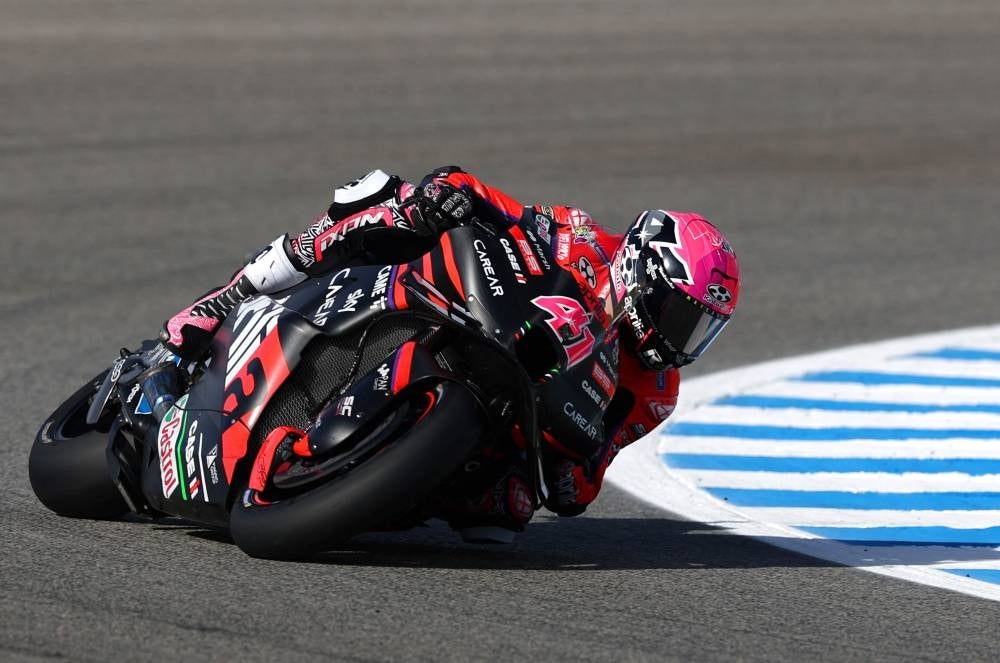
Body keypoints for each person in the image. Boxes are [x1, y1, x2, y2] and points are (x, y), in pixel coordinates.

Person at [158, 166, 741, 542]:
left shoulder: (655, 393)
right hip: (465, 310)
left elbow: (584, 482)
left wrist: (570, 477)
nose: (680, 342)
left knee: (506, 515)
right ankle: (228, 298)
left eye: (700, 331)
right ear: (644, 270)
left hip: (517, 413)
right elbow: (500, 207)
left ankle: (360, 480)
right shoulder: (581, 238)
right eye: (680, 317)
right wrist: (448, 194)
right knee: (382, 200)